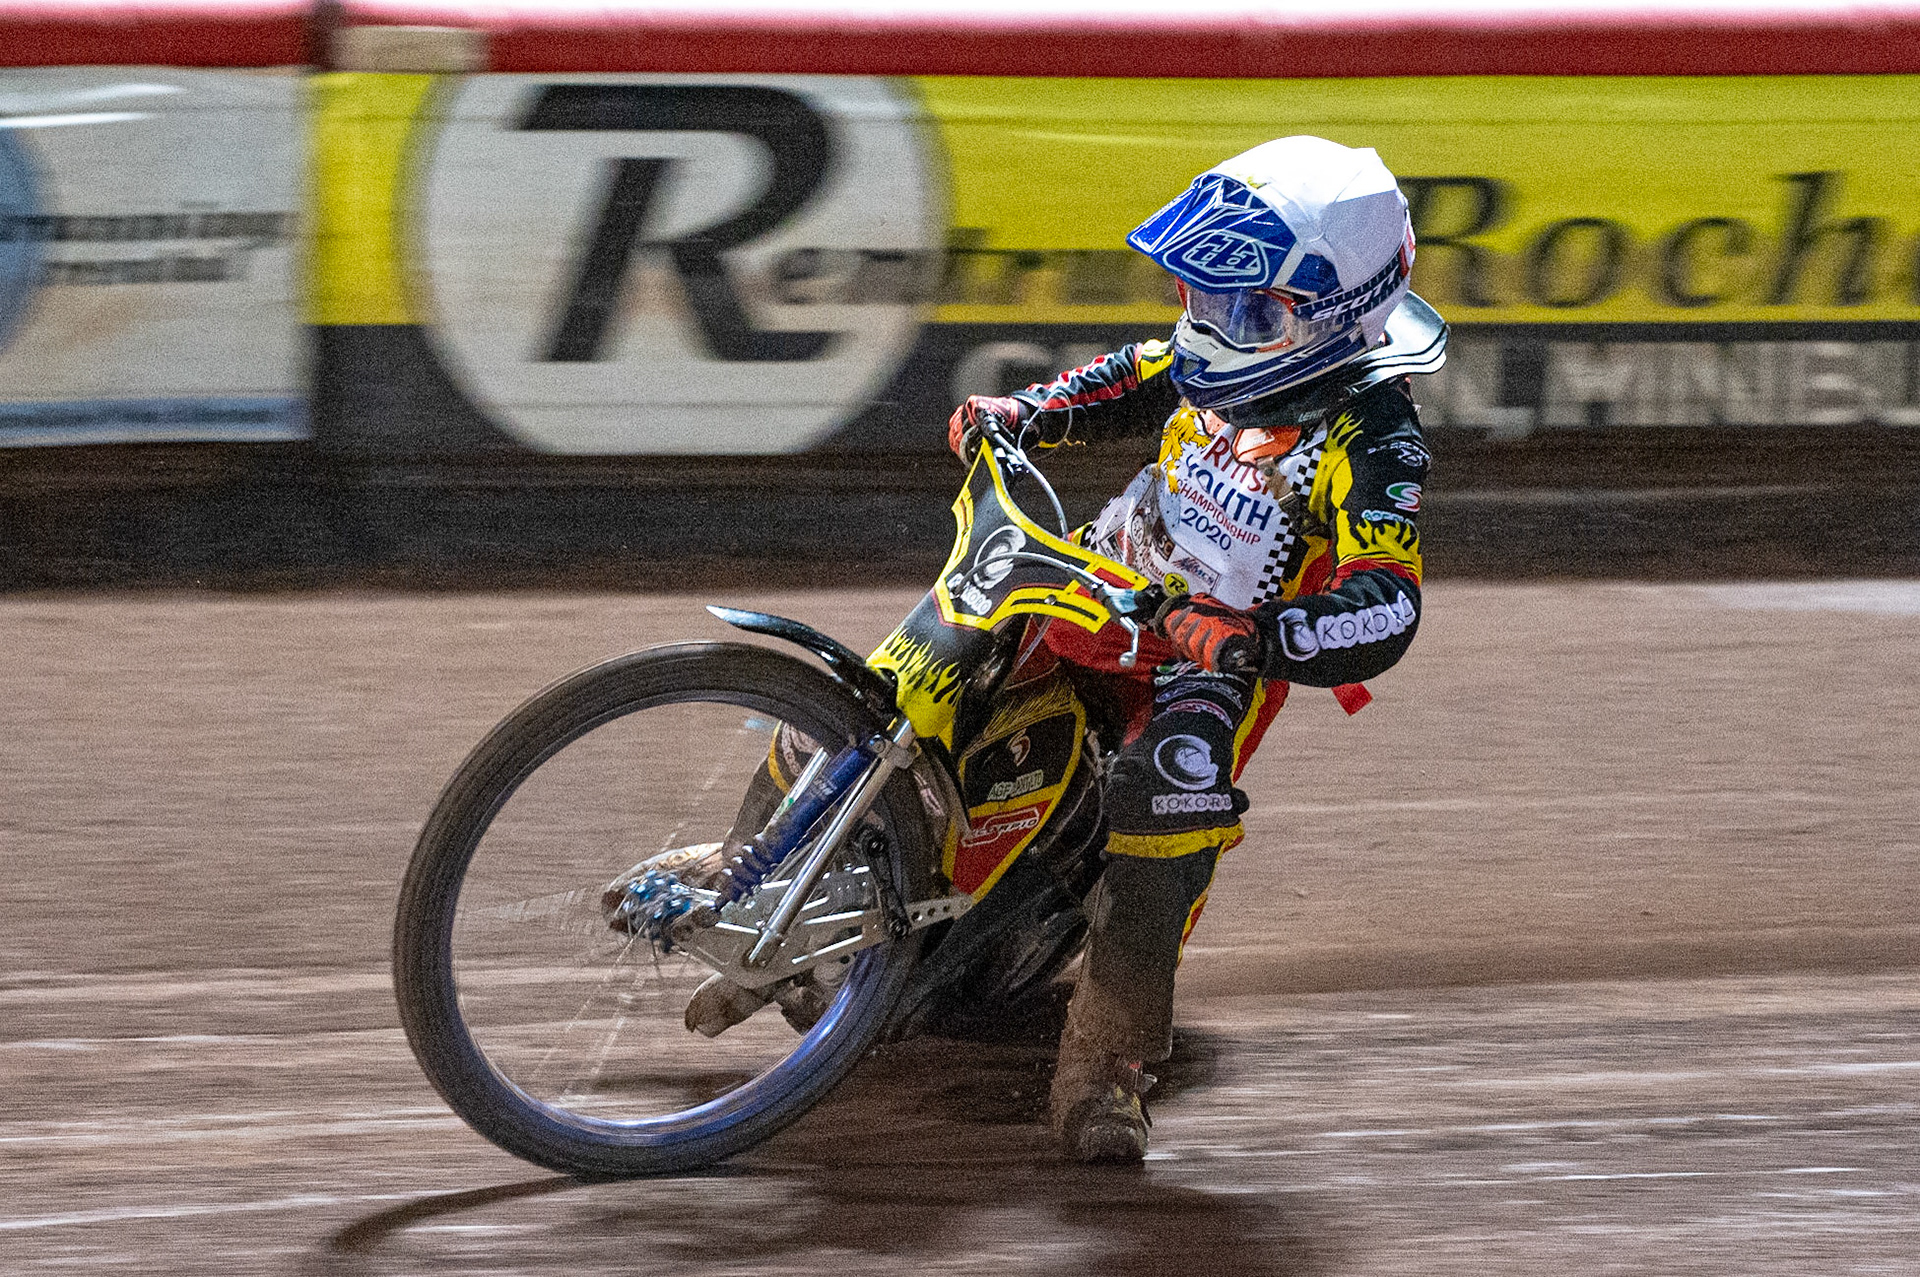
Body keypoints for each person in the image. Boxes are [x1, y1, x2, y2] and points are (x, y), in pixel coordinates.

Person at [945, 136, 1448, 1162]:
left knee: (1168, 790)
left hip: (1206, 658)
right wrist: (1027, 412)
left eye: (1247, 311)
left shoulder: (1374, 434)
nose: (1213, 327)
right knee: (945, 645)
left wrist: (1257, 636)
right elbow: (1139, 374)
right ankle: (769, 852)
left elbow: (1387, 604)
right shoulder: (1212, 351)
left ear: (1337, 314)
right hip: (1106, 571)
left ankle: (1108, 1069)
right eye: (1206, 298)